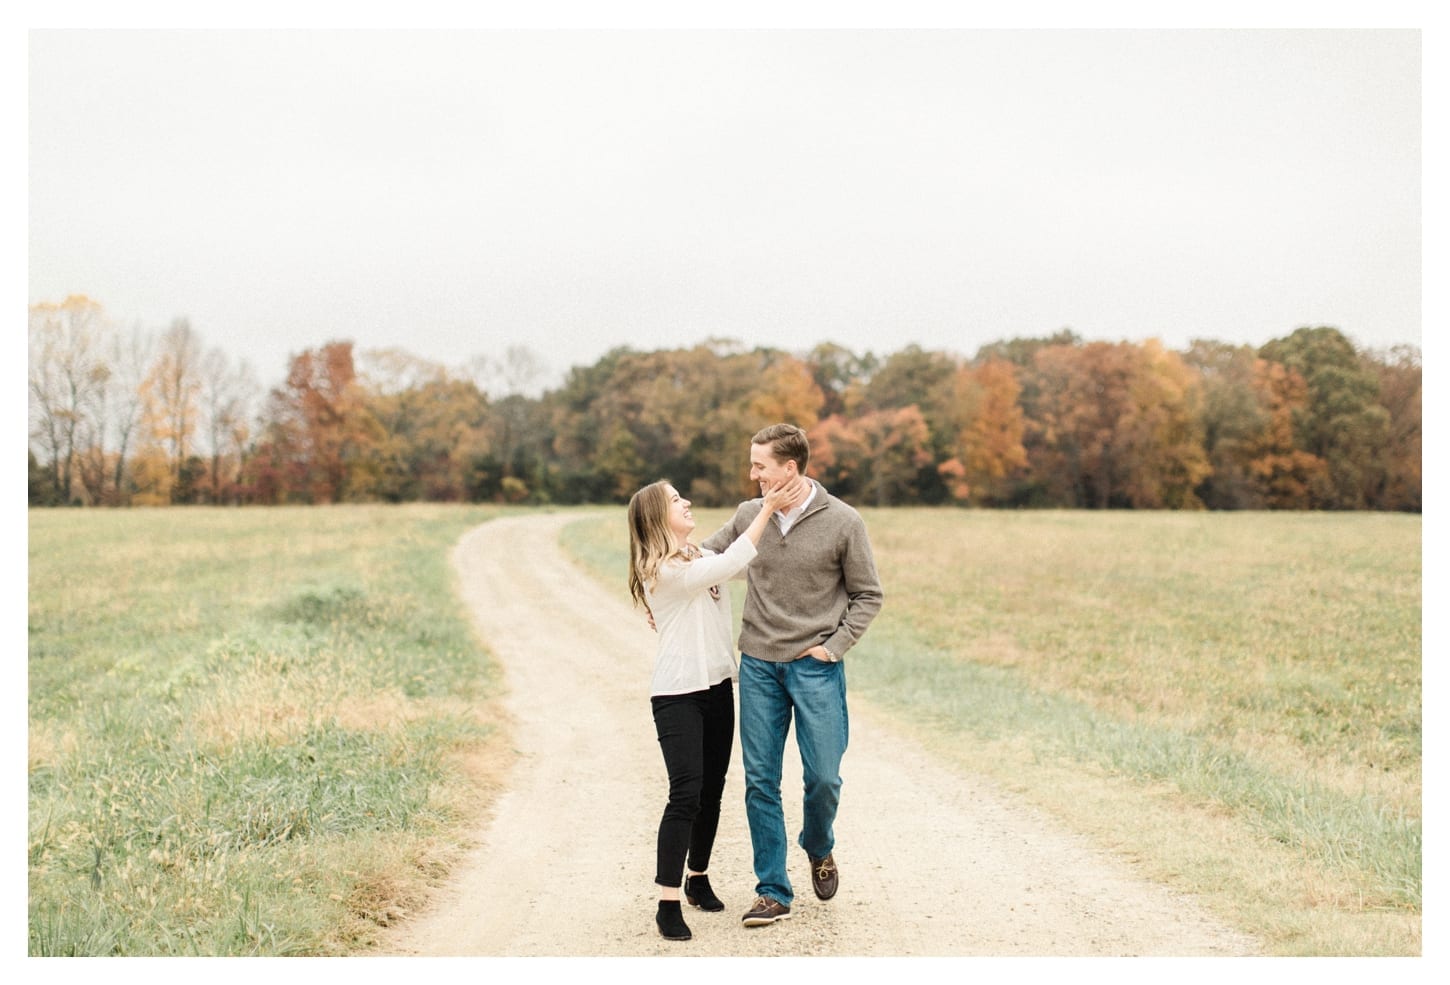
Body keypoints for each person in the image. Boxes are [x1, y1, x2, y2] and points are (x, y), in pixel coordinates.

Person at [700, 423, 883, 928]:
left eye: (760, 465)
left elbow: (869, 594)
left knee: (823, 777)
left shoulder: (843, 521)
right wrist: (658, 581)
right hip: (758, 665)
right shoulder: (746, 515)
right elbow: (705, 561)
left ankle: (819, 845)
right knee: (760, 779)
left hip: (815, 669)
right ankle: (772, 890)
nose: (752, 473)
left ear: (790, 468)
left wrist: (834, 647)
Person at [627, 473, 808, 942]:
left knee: (712, 789)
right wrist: (766, 508)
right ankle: (667, 902)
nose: (686, 501)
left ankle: (698, 876)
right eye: (675, 500)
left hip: (716, 687)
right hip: (676, 693)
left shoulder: (699, 557)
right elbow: (735, 559)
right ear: (655, 517)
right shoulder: (662, 571)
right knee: (684, 793)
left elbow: (733, 560)